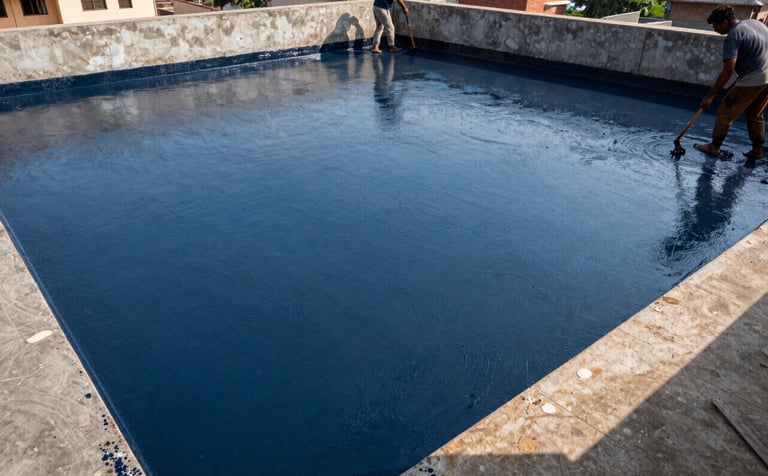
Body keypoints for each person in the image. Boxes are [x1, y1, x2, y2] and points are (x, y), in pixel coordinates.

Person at [694, 5, 768, 165]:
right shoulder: (756, 24)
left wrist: (710, 96)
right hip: (766, 77)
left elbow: (728, 70)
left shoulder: (733, 36)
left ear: (725, 22)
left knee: (725, 112)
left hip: (753, 78)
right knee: (755, 114)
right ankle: (758, 150)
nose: (715, 30)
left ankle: (714, 147)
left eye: (716, 26)